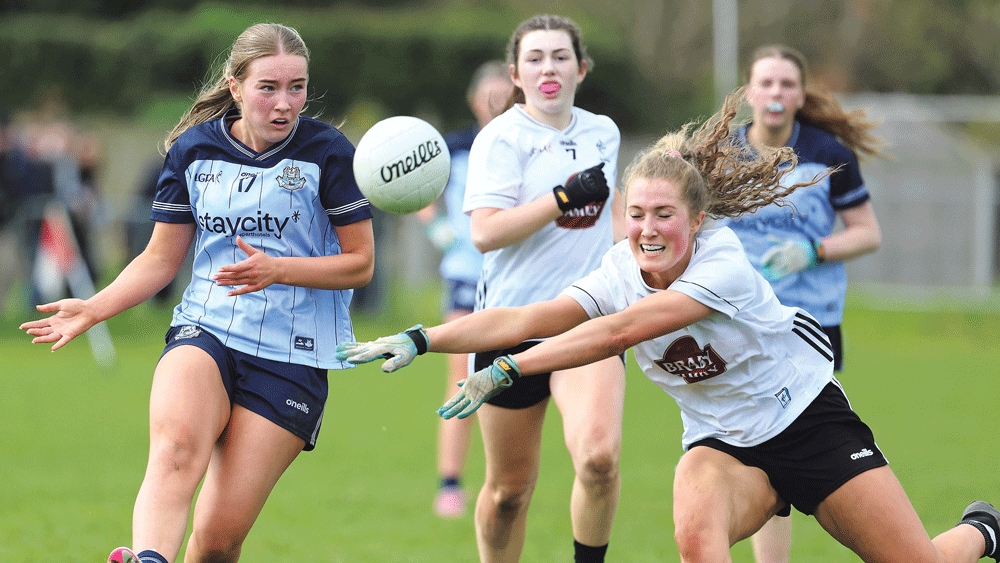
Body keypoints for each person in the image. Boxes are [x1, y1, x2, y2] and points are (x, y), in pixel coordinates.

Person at [337, 88, 1000, 563]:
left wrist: (512, 366)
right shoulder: (619, 264)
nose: (647, 230)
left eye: (664, 216)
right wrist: (425, 337)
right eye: (637, 215)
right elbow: (526, 315)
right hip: (720, 442)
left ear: (697, 220)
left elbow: (616, 333)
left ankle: (982, 529)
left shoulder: (724, 264)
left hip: (806, 423)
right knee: (694, 539)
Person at [20, 22, 375, 563]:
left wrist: (281, 271)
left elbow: (360, 265)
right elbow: (161, 259)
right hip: (206, 328)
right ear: (235, 86)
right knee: (175, 450)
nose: (285, 103)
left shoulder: (328, 153)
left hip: (293, 356)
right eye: (269, 88)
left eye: (297, 88)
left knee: (215, 542)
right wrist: (94, 307)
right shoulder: (193, 150)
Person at [360, 14, 624, 563]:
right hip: (509, 326)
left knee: (599, 460)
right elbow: (483, 233)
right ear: (516, 74)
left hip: (587, 320)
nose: (548, 68)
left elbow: (611, 221)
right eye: (535, 58)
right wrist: (562, 196)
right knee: (508, 494)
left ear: (582, 68)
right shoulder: (498, 140)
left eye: (559, 56)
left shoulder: (604, 131)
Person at [717, 44, 886, 563]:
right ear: (748, 92)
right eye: (765, 83)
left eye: (786, 84)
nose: (775, 93)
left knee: (794, 451)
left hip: (811, 323)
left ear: (799, 95)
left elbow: (867, 233)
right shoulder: (720, 154)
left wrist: (812, 251)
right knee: (759, 454)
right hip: (739, 322)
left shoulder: (827, 152)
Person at [415, 59, 511, 519]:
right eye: (489, 96)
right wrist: (438, 230)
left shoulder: (526, 145)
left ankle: (505, 481)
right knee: (464, 372)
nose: (496, 104)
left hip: (516, 280)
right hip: (465, 276)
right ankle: (450, 484)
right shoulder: (452, 148)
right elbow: (417, 193)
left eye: (504, 95)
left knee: (517, 379)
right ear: (475, 100)